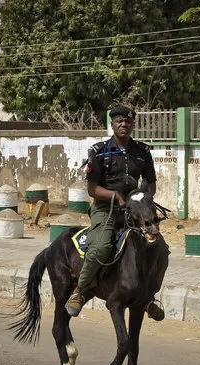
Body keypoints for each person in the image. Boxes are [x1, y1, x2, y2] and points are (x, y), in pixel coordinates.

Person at [65, 106, 169, 320]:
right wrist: (117, 197)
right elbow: (92, 189)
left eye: (128, 121)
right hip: (106, 209)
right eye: (119, 121)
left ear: (134, 125)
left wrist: (140, 199)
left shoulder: (142, 152)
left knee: (160, 249)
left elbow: (151, 186)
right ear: (112, 125)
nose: (124, 124)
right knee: (101, 247)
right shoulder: (99, 150)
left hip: (134, 211)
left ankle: (149, 297)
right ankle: (80, 291)